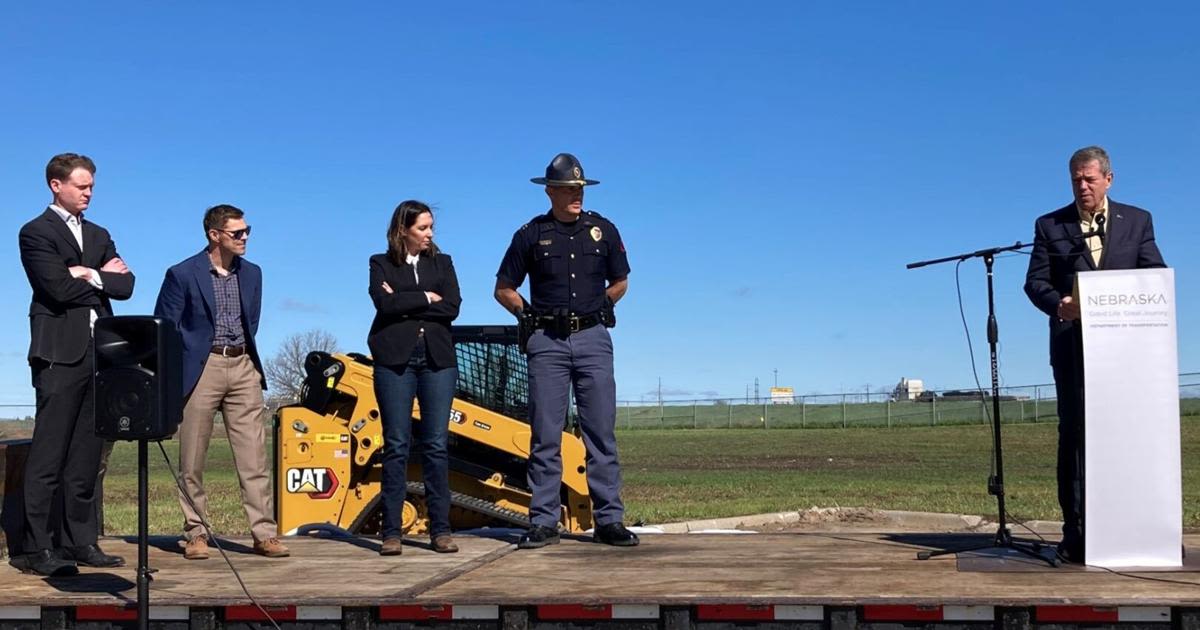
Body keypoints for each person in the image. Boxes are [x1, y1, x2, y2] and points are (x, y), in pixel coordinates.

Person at [1023, 145, 1166, 563]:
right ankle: (1076, 529)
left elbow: (1153, 273)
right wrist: (1058, 304)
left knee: (1125, 434)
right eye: (1075, 180)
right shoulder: (1050, 225)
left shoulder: (1137, 221)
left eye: (1089, 179)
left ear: (1108, 179)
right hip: (1072, 347)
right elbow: (1035, 282)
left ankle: (1127, 524)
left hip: (1125, 352)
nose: (1082, 186)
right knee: (1074, 436)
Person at [494, 152, 638, 549]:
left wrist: (602, 305)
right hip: (547, 343)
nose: (577, 195)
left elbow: (621, 280)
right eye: (569, 189)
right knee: (545, 434)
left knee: (600, 432)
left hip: (593, 340)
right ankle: (542, 522)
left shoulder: (603, 230)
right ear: (551, 191)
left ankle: (609, 520)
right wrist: (530, 315)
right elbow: (503, 288)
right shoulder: (530, 234)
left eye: (580, 188)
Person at [11, 153, 133, 576]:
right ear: (55, 185)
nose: (89, 193)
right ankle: (37, 546)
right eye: (82, 186)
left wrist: (90, 273)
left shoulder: (98, 234)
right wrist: (98, 278)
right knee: (49, 452)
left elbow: (127, 285)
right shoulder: (35, 232)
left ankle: (80, 540)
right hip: (59, 354)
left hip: (99, 355)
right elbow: (57, 288)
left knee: (85, 453)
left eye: (92, 187)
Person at [154, 204, 289, 559]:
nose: (244, 238)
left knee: (254, 457)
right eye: (237, 233)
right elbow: (165, 328)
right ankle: (196, 534)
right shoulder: (182, 274)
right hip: (202, 368)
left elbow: (252, 320)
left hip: (243, 364)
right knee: (192, 458)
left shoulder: (254, 273)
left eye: (247, 232)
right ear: (215, 235)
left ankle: (264, 534)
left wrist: (247, 362)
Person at [367, 201, 462, 556]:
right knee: (396, 445)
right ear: (403, 229)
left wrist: (404, 300)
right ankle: (391, 532)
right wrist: (425, 297)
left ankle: (441, 530)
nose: (430, 234)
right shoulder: (380, 263)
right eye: (423, 228)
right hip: (395, 362)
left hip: (438, 360)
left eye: (431, 227)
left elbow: (452, 306)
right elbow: (383, 304)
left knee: (436, 445)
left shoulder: (443, 262)